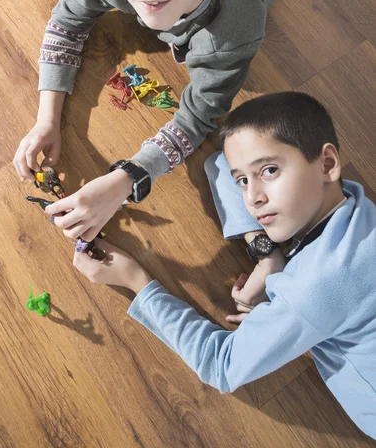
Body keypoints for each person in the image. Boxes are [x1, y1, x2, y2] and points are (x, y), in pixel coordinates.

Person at [13, 0, 302, 242]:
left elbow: (199, 117)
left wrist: (124, 179)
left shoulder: (233, 32)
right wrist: (47, 118)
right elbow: (66, 18)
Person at [73, 92, 376, 440]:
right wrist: (266, 254)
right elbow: (219, 164)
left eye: (270, 171)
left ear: (327, 164)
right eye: (244, 181)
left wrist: (135, 279)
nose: (252, 197)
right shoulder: (353, 202)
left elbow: (221, 365)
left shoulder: (309, 292)